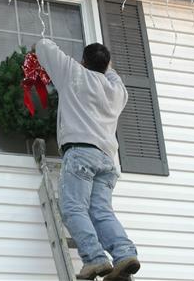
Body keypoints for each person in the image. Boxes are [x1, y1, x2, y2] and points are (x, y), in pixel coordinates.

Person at [34, 39, 140, 281]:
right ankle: (124, 254)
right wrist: (106, 65)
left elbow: (44, 47)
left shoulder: (73, 74)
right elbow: (111, 74)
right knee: (101, 211)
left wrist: (42, 41)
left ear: (83, 61)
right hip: (107, 160)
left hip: (81, 153)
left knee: (73, 208)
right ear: (106, 65)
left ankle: (94, 260)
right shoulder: (117, 91)